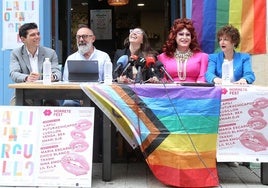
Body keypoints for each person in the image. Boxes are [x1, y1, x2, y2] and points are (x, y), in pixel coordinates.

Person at [9, 22, 62, 105]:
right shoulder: (16, 53)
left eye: (38, 34)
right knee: (15, 107)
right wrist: (27, 78)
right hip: (24, 93)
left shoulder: (50, 53)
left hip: (46, 94)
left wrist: (53, 77)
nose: (37, 37)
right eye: (33, 35)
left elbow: (58, 73)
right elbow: (14, 73)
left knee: (54, 107)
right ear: (23, 39)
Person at [62, 24, 112, 106]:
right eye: (78, 37)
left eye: (84, 36)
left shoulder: (103, 57)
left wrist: (91, 96)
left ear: (93, 39)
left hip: (98, 97)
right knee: (68, 103)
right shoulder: (71, 58)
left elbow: (108, 81)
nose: (81, 39)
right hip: (75, 98)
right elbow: (66, 83)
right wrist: (79, 97)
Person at [157, 18, 208, 83]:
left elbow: (202, 78)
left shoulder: (202, 57)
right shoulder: (163, 57)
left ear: (191, 38)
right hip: (170, 91)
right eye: (181, 34)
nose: (184, 37)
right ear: (174, 37)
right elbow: (162, 79)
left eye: (188, 35)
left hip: (194, 91)